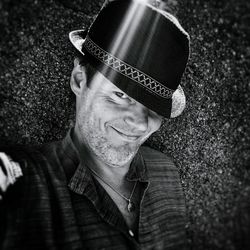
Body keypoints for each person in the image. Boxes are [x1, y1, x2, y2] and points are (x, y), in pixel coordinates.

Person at [0, 0, 190, 249]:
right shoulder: (25, 183)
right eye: (120, 95)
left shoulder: (166, 172)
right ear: (80, 79)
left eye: (154, 107)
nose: (141, 123)